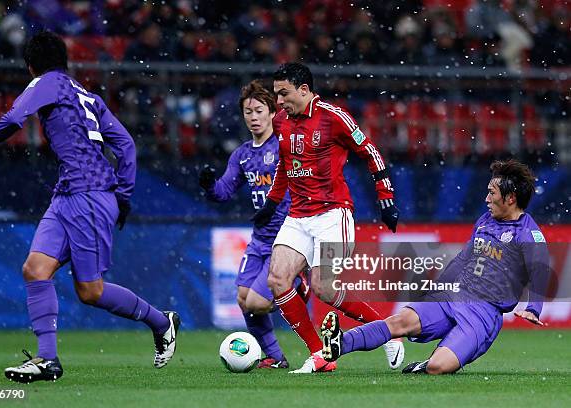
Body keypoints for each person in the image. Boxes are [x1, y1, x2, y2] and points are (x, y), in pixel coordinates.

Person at [0, 31, 180, 383]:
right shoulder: (89, 96)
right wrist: (123, 196)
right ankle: (47, 359)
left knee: (90, 291)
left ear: (30, 65)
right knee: (35, 269)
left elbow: (14, 118)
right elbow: (126, 145)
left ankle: (161, 321)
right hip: (69, 193)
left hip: (89, 194)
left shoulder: (46, 83)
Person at [320, 159, 549, 374]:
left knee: (438, 367)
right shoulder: (485, 221)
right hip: (454, 295)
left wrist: (533, 308)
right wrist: (437, 289)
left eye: (492, 193)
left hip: (484, 312)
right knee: (400, 321)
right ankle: (341, 342)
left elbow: (540, 270)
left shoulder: (529, 234)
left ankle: (427, 364)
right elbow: (463, 259)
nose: (486, 199)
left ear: (510, 198)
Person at [252, 62, 403, 373]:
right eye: (276, 94)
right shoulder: (281, 122)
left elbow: (370, 152)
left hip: (334, 214)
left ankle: (387, 330)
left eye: (284, 93)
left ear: (304, 90)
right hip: (297, 215)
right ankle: (319, 355)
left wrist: (386, 199)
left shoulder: (333, 117)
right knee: (277, 279)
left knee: (323, 287)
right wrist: (272, 202)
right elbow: (285, 165)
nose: (278, 102)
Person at [199, 80, 306, 369]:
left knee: (259, 302)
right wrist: (209, 185)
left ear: (273, 112)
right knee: (244, 299)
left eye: (259, 111)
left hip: (286, 238)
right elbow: (223, 192)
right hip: (260, 239)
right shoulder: (242, 154)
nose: (254, 117)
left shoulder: (284, 147)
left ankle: (299, 283)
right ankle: (275, 357)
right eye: (248, 112)